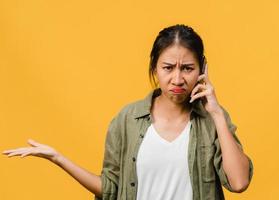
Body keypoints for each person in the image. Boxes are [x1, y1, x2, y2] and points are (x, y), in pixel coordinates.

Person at [2, 24, 253, 200]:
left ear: (202, 69)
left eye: (187, 68)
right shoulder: (127, 120)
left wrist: (217, 114)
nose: (177, 78)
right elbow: (110, 188)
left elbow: (239, 183)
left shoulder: (212, 118)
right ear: (155, 68)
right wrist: (58, 158)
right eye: (168, 67)